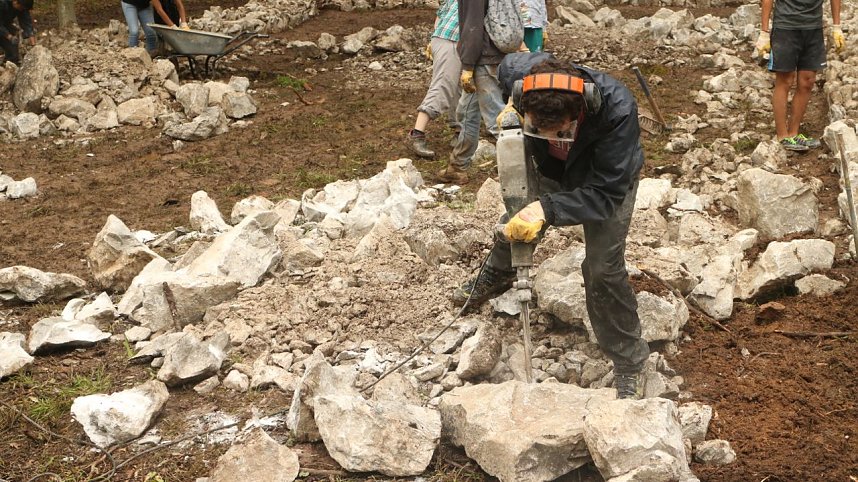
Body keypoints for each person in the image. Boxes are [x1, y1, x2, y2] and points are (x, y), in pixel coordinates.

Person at [453, 52, 650, 399]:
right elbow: (504, 68)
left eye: (560, 131)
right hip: (552, 171)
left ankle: (630, 363)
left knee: (603, 269)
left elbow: (605, 194)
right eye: (537, 128)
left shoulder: (617, 111)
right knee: (516, 217)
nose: (553, 135)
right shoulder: (517, 77)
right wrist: (513, 117)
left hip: (603, 180)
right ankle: (496, 275)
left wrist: (548, 207)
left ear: (582, 109)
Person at [755, 0, 843, 151]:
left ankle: (794, 133)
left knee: (807, 80)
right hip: (785, 26)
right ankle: (783, 136)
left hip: (813, 28)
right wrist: (764, 32)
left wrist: (837, 26)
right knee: (785, 80)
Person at [436, 0, 506, 184]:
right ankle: (457, 167)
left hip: (483, 59)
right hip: (494, 55)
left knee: (496, 120)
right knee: (466, 112)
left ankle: (519, 171)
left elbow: (473, 27)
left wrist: (467, 65)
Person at [406, 0, 462, 159]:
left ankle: (460, 132)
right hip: (451, 39)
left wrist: (434, 39)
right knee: (443, 85)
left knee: (459, 87)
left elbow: (440, 14)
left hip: (444, 37)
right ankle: (416, 134)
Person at [0, 0, 34, 65]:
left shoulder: (21, 6)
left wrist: (32, 41)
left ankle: (9, 63)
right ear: (15, 1)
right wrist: (9, 36)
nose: (21, 10)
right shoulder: (3, 3)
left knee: (13, 48)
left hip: (5, 23)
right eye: (21, 8)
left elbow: (26, 21)